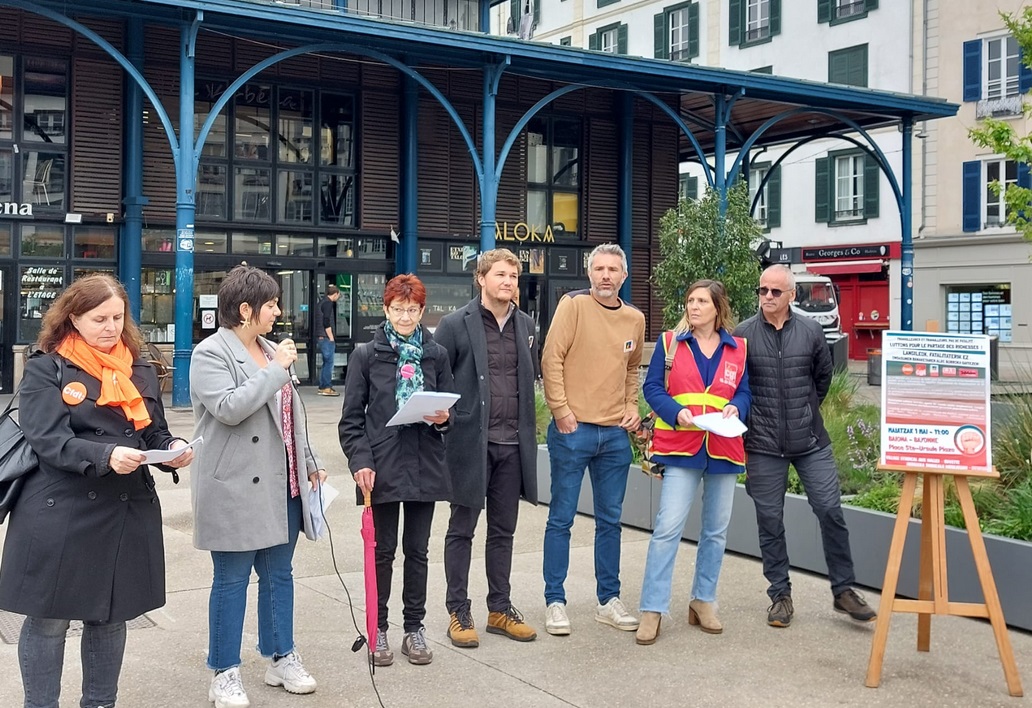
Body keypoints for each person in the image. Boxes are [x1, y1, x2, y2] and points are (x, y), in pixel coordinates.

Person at [0, 274, 194, 708]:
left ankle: (101, 703)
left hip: (126, 508)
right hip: (60, 509)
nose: (110, 327)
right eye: (99, 318)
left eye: (117, 317)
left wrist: (174, 448)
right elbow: (49, 440)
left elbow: (154, 433)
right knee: (49, 620)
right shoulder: (45, 368)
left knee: (110, 617)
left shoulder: (139, 367)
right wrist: (106, 455)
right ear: (73, 318)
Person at [190, 265, 327, 708]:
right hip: (233, 486)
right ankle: (224, 670)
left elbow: (291, 418)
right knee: (231, 580)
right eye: (271, 304)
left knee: (279, 575)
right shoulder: (210, 353)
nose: (278, 312)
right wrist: (276, 371)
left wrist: (309, 462)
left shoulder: (271, 349)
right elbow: (230, 408)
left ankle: (281, 655)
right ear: (246, 309)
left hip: (282, 482)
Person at [734, 264, 876, 628]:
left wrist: (804, 413)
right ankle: (780, 595)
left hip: (810, 443)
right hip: (762, 445)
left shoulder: (812, 332)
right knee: (770, 521)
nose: (767, 297)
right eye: (762, 290)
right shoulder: (743, 334)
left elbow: (822, 378)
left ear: (791, 296)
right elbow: (738, 386)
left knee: (830, 511)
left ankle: (844, 590)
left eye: (775, 292)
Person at [339, 274, 454, 667]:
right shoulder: (367, 355)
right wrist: (361, 462)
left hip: (425, 463)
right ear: (385, 309)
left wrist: (442, 418)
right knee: (382, 552)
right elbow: (351, 420)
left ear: (422, 311)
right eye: (398, 309)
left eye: (413, 310)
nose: (406, 317)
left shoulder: (435, 354)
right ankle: (380, 628)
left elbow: (449, 412)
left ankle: (414, 628)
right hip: (382, 464)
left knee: (418, 552)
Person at [635, 280, 751, 645]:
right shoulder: (670, 344)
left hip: (723, 447)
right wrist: (677, 412)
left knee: (716, 531)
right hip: (681, 445)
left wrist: (738, 407)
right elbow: (652, 387)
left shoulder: (739, 349)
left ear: (718, 308)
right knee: (668, 527)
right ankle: (652, 609)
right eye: (690, 300)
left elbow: (745, 390)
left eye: (702, 301)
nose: (694, 306)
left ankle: (703, 600)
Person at [434, 249, 539, 648]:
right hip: (470, 444)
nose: (509, 281)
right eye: (500, 274)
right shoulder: (454, 324)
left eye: (513, 275)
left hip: (512, 446)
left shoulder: (527, 325)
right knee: (461, 530)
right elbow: (436, 377)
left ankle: (499, 608)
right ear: (481, 278)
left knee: (503, 531)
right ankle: (458, 611)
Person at [540, 242, 646, 636]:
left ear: (624, 275)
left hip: (616, 435)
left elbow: (632, 368)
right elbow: (552, 358)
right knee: (561, 519)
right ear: (589, 274)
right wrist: (561, 410)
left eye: (612, 269)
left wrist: (632, 405)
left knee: (611, 521)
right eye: (598, 269)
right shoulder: (573, 306)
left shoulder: (635, 318)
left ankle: (608, 600)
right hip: (574, 430)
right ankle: (555, 600)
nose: (605, 275)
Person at [314, 284, 341, 396]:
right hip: (325, 337)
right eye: (338, 295)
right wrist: (331, 337)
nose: (338, 297)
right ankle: (326, 386)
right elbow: (326, 321)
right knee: (329, 362)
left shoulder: (321, 302)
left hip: (320, 336)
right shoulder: (328, 304)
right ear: (335, 294)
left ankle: (323, 385)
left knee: (326, 362)